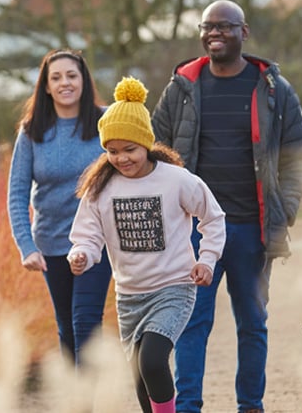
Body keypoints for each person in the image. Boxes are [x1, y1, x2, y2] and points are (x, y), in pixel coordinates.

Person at [150, 0, 302, 413]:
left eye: (225, 26)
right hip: (194, 231)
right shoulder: (182, 88)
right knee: (191, 323)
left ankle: (250, 406)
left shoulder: (273, 90)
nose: (215, 33)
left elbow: (297, 154)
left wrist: (285, 209)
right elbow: (156, 150)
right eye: (208, 27)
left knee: (252, 325)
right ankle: (188, 407)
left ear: (244, 32)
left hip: (251, 228)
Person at [68, 76, 226, 413]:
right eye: (112, 151)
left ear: (146, 144)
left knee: (153, 361)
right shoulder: (102, 188)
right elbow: (87, 233)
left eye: (130, 150)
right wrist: (82, 253)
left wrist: (207, 259)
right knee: (141, 375)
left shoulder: (176, 180)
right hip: (130, 296)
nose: (122, 158)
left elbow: (213, 217)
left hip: (173, 287)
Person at [7, 49, 113, 367]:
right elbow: (17, 193)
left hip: (97, 241)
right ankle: (78, 396)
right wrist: (26, 246)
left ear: (83, 80)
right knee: (67, 328)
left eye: (71, 75)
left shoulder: (106, 121)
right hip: (51, 243)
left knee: (85, 323)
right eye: (56, 77)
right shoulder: (31, 133)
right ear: (46, 86)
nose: (64, 82)